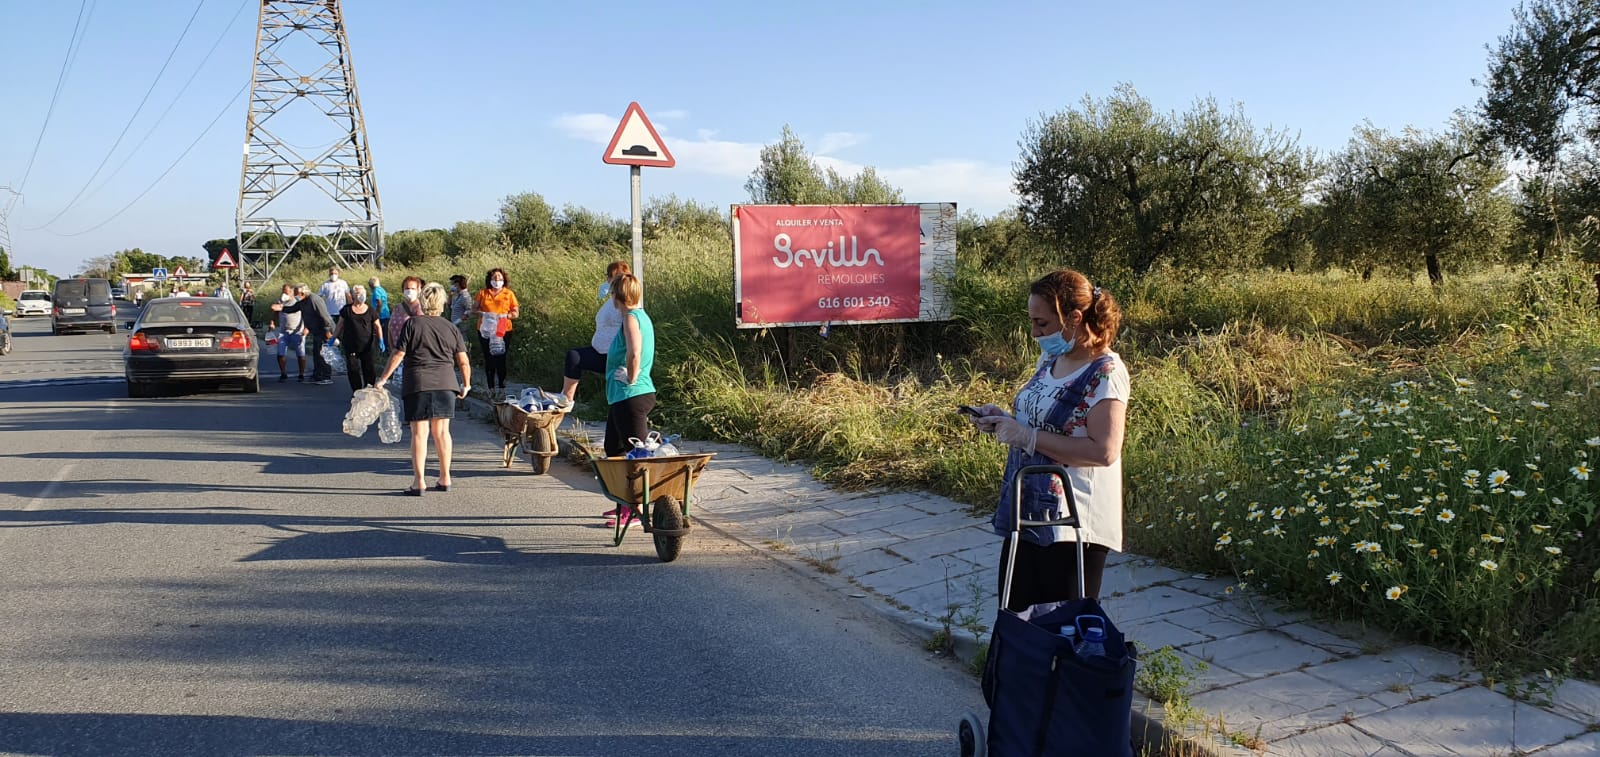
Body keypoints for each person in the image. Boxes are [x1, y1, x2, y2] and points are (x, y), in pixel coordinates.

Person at [970, 269, 1128, 608]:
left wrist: (1027, 436)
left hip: (1071, 526)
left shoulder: (1106, 373)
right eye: (1032, 322)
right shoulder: (1052, 358)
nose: (1034, 333)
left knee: (1061, 636)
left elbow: (1104, 451)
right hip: (1027, 515)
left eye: (1042, 324)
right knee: (1015, 625)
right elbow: (1041, 423)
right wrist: (1005, 421)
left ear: (1073, 318)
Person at [378, 282, 470, 496]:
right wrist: (466, 383)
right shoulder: (451, 327)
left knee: (419, 433)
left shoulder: (412, 324)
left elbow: (398, 354)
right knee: (442, 432)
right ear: (443, 303)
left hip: (418, 383)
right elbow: (463, 361)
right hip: (446, 383)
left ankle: (419, 482)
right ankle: (445, 477)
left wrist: (383, 379)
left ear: (422, 299)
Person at [602, 273, 655, 527]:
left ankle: (635, 509)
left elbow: (635, 352)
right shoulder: (639, 316)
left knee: (635, 455)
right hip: (621, 397)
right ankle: (622, 504)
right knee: (613, 448)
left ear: (617, 297)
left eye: (613, 293)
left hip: (631, 395)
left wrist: (632, 377)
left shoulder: (631, 319)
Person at [557, 261, 630, 410]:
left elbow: (630, 328)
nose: (607, 280)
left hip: (612, 355)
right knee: (574, 357)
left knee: (575, 356)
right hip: (599, 350)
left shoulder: (626, 303)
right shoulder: (612, 300)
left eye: (610, 277)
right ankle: (566, 398)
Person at [273, 283, 335, 385]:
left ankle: (325, 376)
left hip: (323, 329)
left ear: (303, 292)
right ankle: (317, 375)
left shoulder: (314, 300)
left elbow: (325, 316)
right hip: (315, 330)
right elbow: (293, 309)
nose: (296, 296)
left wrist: (328, 331)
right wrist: (281, 308)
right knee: (316, 353)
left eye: (297, 294)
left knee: (322, 353)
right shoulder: (302, 302)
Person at [472, 267, 519, 394]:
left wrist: (506, 316)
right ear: (490, 280)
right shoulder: (483, 293)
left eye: (499, 278)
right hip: (485, 328)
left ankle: (502, 387)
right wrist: (483, 313)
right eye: (494, 278)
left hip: (502, 328)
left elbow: (515, 312)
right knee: (489, 357)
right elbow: (474, 309)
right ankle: (491, 387)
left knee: (500, 357)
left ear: (504, 280)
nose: (497, 280)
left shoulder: (508, 294)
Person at [332, 284, 384, 391]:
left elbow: (377, 326)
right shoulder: (346, 310)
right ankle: (356, 391)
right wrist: (333, 338)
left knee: (369, 369)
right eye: (358, 293)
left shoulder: (370, 310)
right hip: (351, 345)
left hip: (367, 346)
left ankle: (369, 391)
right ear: (353, 295)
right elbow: (340, 325)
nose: (361, 295)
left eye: (363, 293)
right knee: (353, 370)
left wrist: (381, 340)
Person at [274, 284, 307, 382]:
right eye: (283, 291)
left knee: (300, 354)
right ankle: (283, 373)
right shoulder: (280, 301)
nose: (284, 293)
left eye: (287, 291)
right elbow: (275, 311)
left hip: (297, 331)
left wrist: (306, 328)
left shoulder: (298, 302)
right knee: (280, 353)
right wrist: (272, 322)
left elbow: (306, 315)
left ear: (292, 292)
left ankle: (301, 374)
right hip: (283, 332)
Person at [389, 275, 423, 346]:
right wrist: (392, 349)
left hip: (416, 352)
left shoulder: (423, 308)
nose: (410, 291)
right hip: (397, 351)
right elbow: (390, 328)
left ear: (418, 290)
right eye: (407, 288)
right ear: (403, 290)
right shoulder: (397, 308)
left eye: (413, 289)